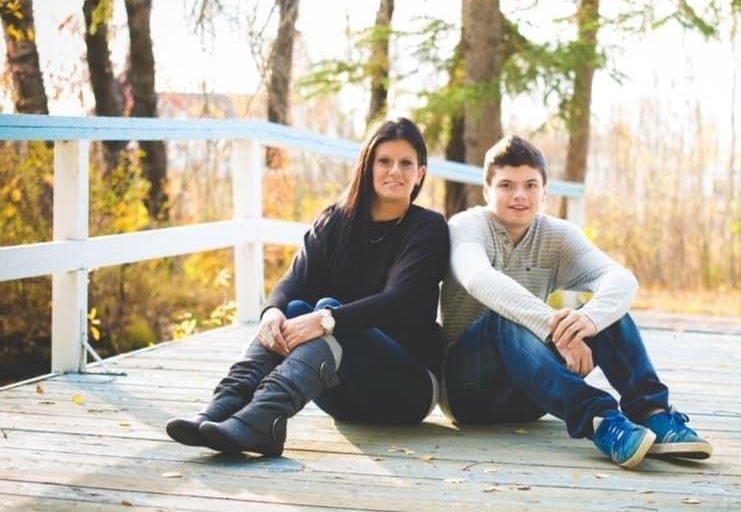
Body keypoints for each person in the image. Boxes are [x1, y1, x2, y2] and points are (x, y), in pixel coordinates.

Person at [166, 118, 449, 457]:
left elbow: (401, 301)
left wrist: (327, 319)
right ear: (368, 166)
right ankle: (222, 409)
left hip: (407, 390)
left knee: (322, 311)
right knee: (294, 310)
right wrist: (271, 313)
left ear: (420, 173)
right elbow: (293, 281)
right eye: (384, 161)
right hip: (343, 398)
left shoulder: (428, 228)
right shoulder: (334, 222)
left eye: (406, 163)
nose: (395, 171)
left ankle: (260, 421)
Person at [439, 135, 712, 469]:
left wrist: (588, 322)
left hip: (533, 395)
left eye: (530, 185)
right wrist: (557, 332)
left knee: (605, 314)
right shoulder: (466, 226)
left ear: (544, 191)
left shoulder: (557, 235)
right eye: (506, 185)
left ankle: (652, 413)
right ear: (486, 191)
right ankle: (602, 421)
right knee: (503, 317)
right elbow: (478, 278)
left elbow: (621, 279)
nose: (519, 195)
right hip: (469, 393)